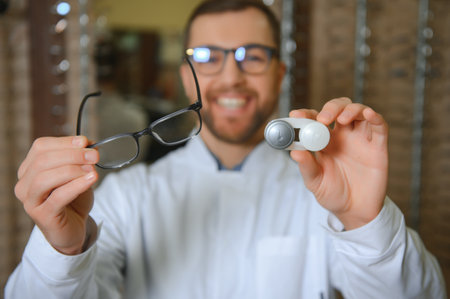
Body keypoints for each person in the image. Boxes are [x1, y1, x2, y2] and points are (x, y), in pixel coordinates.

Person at [5, 1, 446, 298]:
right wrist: (61, 250)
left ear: (279, 73)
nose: (231, 78)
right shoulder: (123, 201)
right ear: (184, 76)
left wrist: (365, 223)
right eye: (207, 56)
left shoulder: (330, 200)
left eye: (251, 56)